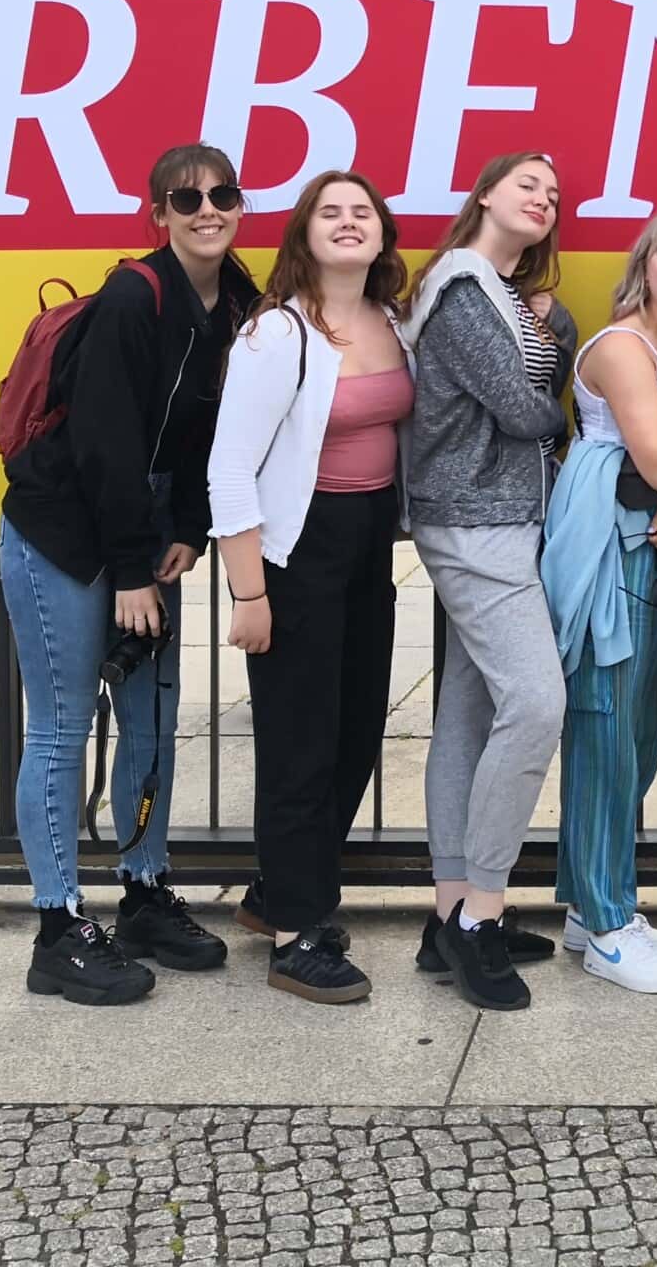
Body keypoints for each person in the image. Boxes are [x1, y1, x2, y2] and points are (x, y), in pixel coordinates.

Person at [0, 144, 258, 1005]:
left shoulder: (240, 304)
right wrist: (129, 572)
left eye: (222, 194)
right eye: (186, 200)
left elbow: (208, 440)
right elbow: (105, 445)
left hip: (146, 536)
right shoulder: (131, 297)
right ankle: (58, 925)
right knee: (64, 723)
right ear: (159, 215)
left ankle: (144, 893)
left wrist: (184, 531)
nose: (207, 210)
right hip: (68, 530)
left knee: (150, 717)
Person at [210, 170, 414, 1005]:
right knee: (300, 745)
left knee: (357, 731)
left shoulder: (394, 323)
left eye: (361, 211)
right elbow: (229, 468)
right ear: (303, 235)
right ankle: (300, 935)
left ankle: (278, 894)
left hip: (369, 547)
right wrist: (249, 595)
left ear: (381, 235)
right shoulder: (276, 335)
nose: (347, 222)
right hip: (296, 553)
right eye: (329, 212)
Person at [396, 150, 573, 1010]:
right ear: (486, 196)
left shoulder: (503, 295)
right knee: (538, 705)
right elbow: (528, 407)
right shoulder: (465, 289)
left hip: (500, 518)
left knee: (470, 710)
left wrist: (548, 338)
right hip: (474, 521)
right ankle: (481, 917)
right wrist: (552, 394)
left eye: (552, 193)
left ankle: (446, 913)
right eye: (526, 185)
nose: (542, 199)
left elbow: (548, 365)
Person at [541, 205, 657, 994]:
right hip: (607, 548)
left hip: (650, 548)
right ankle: (607, 926)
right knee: (605, 731)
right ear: (644, 263)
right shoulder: (626, 348)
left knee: (639, 732)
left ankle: (593, 899)